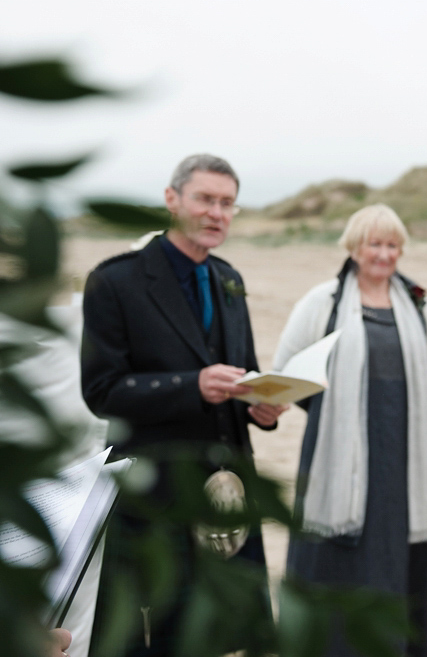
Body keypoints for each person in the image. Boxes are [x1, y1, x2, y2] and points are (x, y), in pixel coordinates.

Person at [80, 154, 285, 657]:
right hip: (155, 498)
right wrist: (191, 385)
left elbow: (244, 372)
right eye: (206, 199)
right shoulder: (115, 281)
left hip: (227, 494)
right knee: (164, 636)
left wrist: (261, 407)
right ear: (172, 200)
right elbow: (101, 391)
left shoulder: (230, 279)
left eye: (228, 203)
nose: (217, 213)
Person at [273, 204, 427, 657]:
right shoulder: (322, 301)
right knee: (335, 562)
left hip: (402, 454)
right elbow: (284, 370)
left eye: (392, 245)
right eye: (375, 243)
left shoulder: (418, 304)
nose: (384, 254)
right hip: (336, 453)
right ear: (354, 247)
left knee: (392, 562)